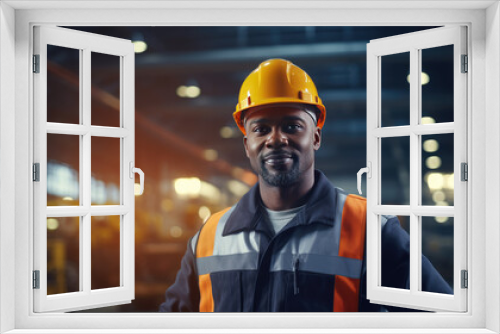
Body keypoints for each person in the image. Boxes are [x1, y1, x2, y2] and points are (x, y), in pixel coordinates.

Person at [159, 58, 452, 312]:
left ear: (315, 137)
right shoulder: (210, 237)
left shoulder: (369, 230)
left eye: (292, 126)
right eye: (261, 129)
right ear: (247, 144)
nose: (275, 139)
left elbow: (439, 316)